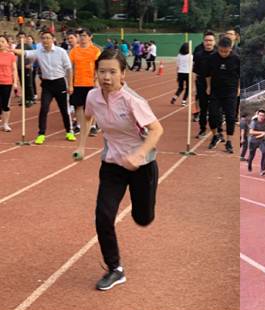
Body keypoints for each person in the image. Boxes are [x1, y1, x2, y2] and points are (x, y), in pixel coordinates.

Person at [75, 48, 163, 291]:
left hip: (142, 166)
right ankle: (115, 269)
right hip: (112, 164)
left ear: (123, 74)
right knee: (103, 216)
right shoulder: (93, 96)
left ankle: (144, 211)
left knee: (143, 218)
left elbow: (157, 130)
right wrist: (81, 146)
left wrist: (139, 154)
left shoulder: (133, 100)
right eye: (102, 71)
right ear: (96, 73)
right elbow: (88, 118)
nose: (106, 77)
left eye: (112, 72)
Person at [15, 30, 75, 145]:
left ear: (53, 39)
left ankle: (69, 131)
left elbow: (69, 69)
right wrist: (11, 50)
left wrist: (70, 85)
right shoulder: (39, 51)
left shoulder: (61, 51)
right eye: (43, 38)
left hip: (60, 82)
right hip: (47, 84)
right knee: (44, 108)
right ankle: (41, 134)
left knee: (64, 109)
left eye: (48, 38)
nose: (45, 40)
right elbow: (25, 53)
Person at [205, 36, 240, 154]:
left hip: (230, 91)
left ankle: (229, 141)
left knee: (230, 117)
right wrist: (208, 87)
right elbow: (208, 74)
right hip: (216, 91)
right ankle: (215, 135)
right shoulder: (212, 58)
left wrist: (238, 88)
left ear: (231, 48)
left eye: (226, 51)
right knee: (212, 115)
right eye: (221, 51)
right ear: (218, 48)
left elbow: (239, 75)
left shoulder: (236, 59)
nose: (223, 54)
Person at [69, 28, 100, 137]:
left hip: (91, 82)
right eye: (81, 36)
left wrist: (97, 80)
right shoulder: (74, 51)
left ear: (90, 37)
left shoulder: (95, 50)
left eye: (85, 36)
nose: (82, 38)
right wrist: (70, 83)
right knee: (78, 106)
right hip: (78, 82)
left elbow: (98, 66)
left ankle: (93, 126)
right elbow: (70, 67)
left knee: (92, 106)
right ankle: (79, 125)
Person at [192, 31, 216, 138]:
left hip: (216, 85)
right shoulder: (198, 55)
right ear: (203, 41)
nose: (208, 42)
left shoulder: (218, 54)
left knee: (215, 110)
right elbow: (195, 71)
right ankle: (202, 129)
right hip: (201, 84)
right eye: (206, 40)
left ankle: (218, 131)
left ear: (214, 42)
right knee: (203, 108)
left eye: (210, 40)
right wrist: (193, 87)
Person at [0, 34, 18, 131]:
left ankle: (5, 124)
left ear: (7, 43)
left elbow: (14, 69)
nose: (0, 43)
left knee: (5, 104)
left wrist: (15, 82)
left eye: (3, 41)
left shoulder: (11, 55)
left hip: (7, 82)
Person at [247, 109, 265, 176]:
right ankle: (249, 163)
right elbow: (251, 132)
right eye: (260, 115)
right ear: (257, 115)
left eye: (263, 115)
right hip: (253, 141)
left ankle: (263, 169)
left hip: (261, 140)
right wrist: (261, 133)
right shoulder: (254, 122)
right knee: (252, 155)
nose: (261, 117)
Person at [171, 42, 192, 107]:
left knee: (180, 87)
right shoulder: (190, 56)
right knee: (188, 88)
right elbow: (192, 65)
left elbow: (177, 65)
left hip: (180, 73)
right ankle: (183, 101)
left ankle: (174, 97)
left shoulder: (179, 55)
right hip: (188, 73)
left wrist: (177, 74)